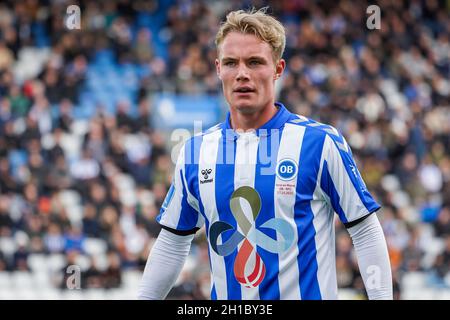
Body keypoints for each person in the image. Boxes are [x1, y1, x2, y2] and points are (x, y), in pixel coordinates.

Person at [138, 8, 392, 300]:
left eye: (255, 62)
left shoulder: (319, 142)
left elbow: (365, 231)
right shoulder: (195, 152)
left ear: (278, 69)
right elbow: (172, 242)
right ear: (218, 68)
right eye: (232, 63)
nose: (242, 74)